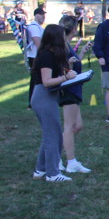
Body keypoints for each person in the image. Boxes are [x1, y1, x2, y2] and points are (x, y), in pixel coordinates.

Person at [30, 24, 76, 182]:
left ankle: (40, 170)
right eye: (62, 35)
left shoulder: (52, 55)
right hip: (43, 97)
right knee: (54, 137)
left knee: (50, 135)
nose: (64, 38)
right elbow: (47, 81)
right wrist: (66, 77)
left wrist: (68, 68)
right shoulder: (46, 56)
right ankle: (52, 173)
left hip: (49, 97)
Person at [58, 15, 92, 174]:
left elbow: (73, 64)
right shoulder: (62, 46)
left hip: (75, 88)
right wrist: (69, 64)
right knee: (69, 126)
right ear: (73, 29)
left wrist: (82, 54)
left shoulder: (67, 45)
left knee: (77, 126)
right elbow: (62, 69)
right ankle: (70, 162)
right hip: (68, 89)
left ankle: (55, 155)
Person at [25, 6, 45, 107]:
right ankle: (31, 103)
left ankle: (37, 101)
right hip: (35, 57)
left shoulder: (38, 27)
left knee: (39, 79)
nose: (43, 17)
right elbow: (37, 42)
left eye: (44, 15)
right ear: (36, 15)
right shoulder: (34, 27)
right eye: (42, 15)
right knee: (35, 80)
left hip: (37, 56)